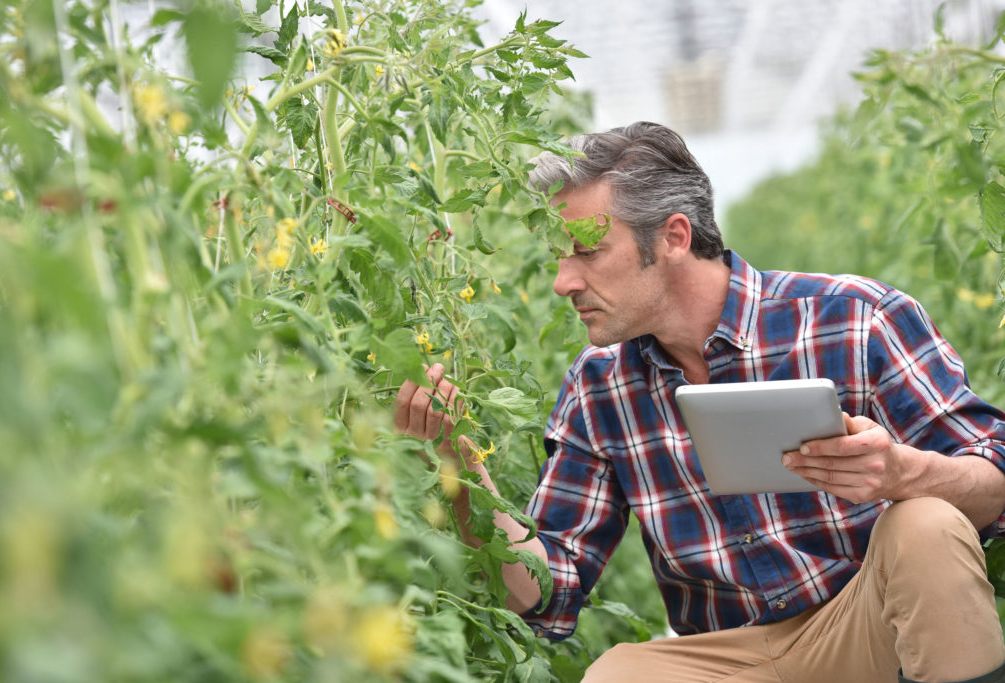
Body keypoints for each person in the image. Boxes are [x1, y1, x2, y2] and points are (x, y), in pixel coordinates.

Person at [393, 121, 1005, 682]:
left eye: (585, 251)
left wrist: (905, 472)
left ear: (674, 237)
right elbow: (550, 587)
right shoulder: (600, 384)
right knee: (617, 675)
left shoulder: (852, 319)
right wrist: (458, 466)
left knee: (925, 522)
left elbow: (995, 479)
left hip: (862, 624)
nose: (564, 281)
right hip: (725, 658)